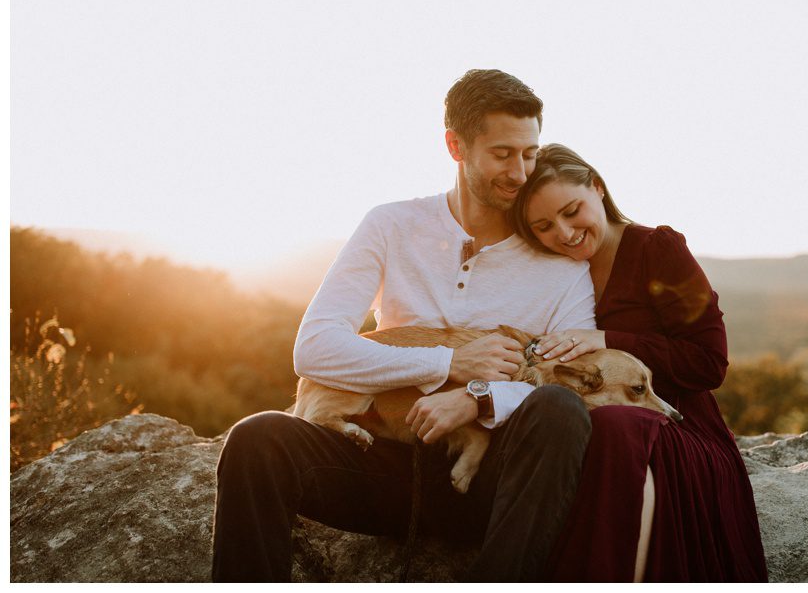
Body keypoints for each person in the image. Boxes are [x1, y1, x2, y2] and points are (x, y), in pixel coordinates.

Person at [212, 69, 596, 582]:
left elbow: (574, 384)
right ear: (456, 146)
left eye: (529, 153)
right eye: (503, 154)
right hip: (383, 466)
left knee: (560, 410)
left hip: (492, 477)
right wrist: (448, 363)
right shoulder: (390, 225)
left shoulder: (563, 269)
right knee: (257, 438)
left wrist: (479, 397)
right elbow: (315, 348)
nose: (520, 172)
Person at [513, 144, 769, 582]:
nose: (564, 233)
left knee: (616, 426)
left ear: (597, 187)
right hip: (586, 425)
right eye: (543, 226)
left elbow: (709, 362)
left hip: (678, 426)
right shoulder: (550, 270)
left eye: (572, 211)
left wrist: (608, 339)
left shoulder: (658, 249)